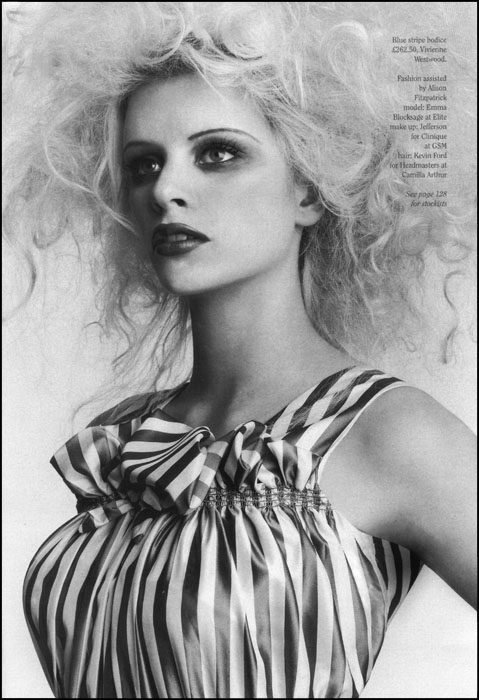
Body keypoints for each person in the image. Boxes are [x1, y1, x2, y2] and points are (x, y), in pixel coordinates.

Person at [3, 2, 476, 699]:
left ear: (309, 188)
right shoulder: (127, 445)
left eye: (217, 154)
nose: (166, 190)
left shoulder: (386, 433)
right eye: (143, 164)